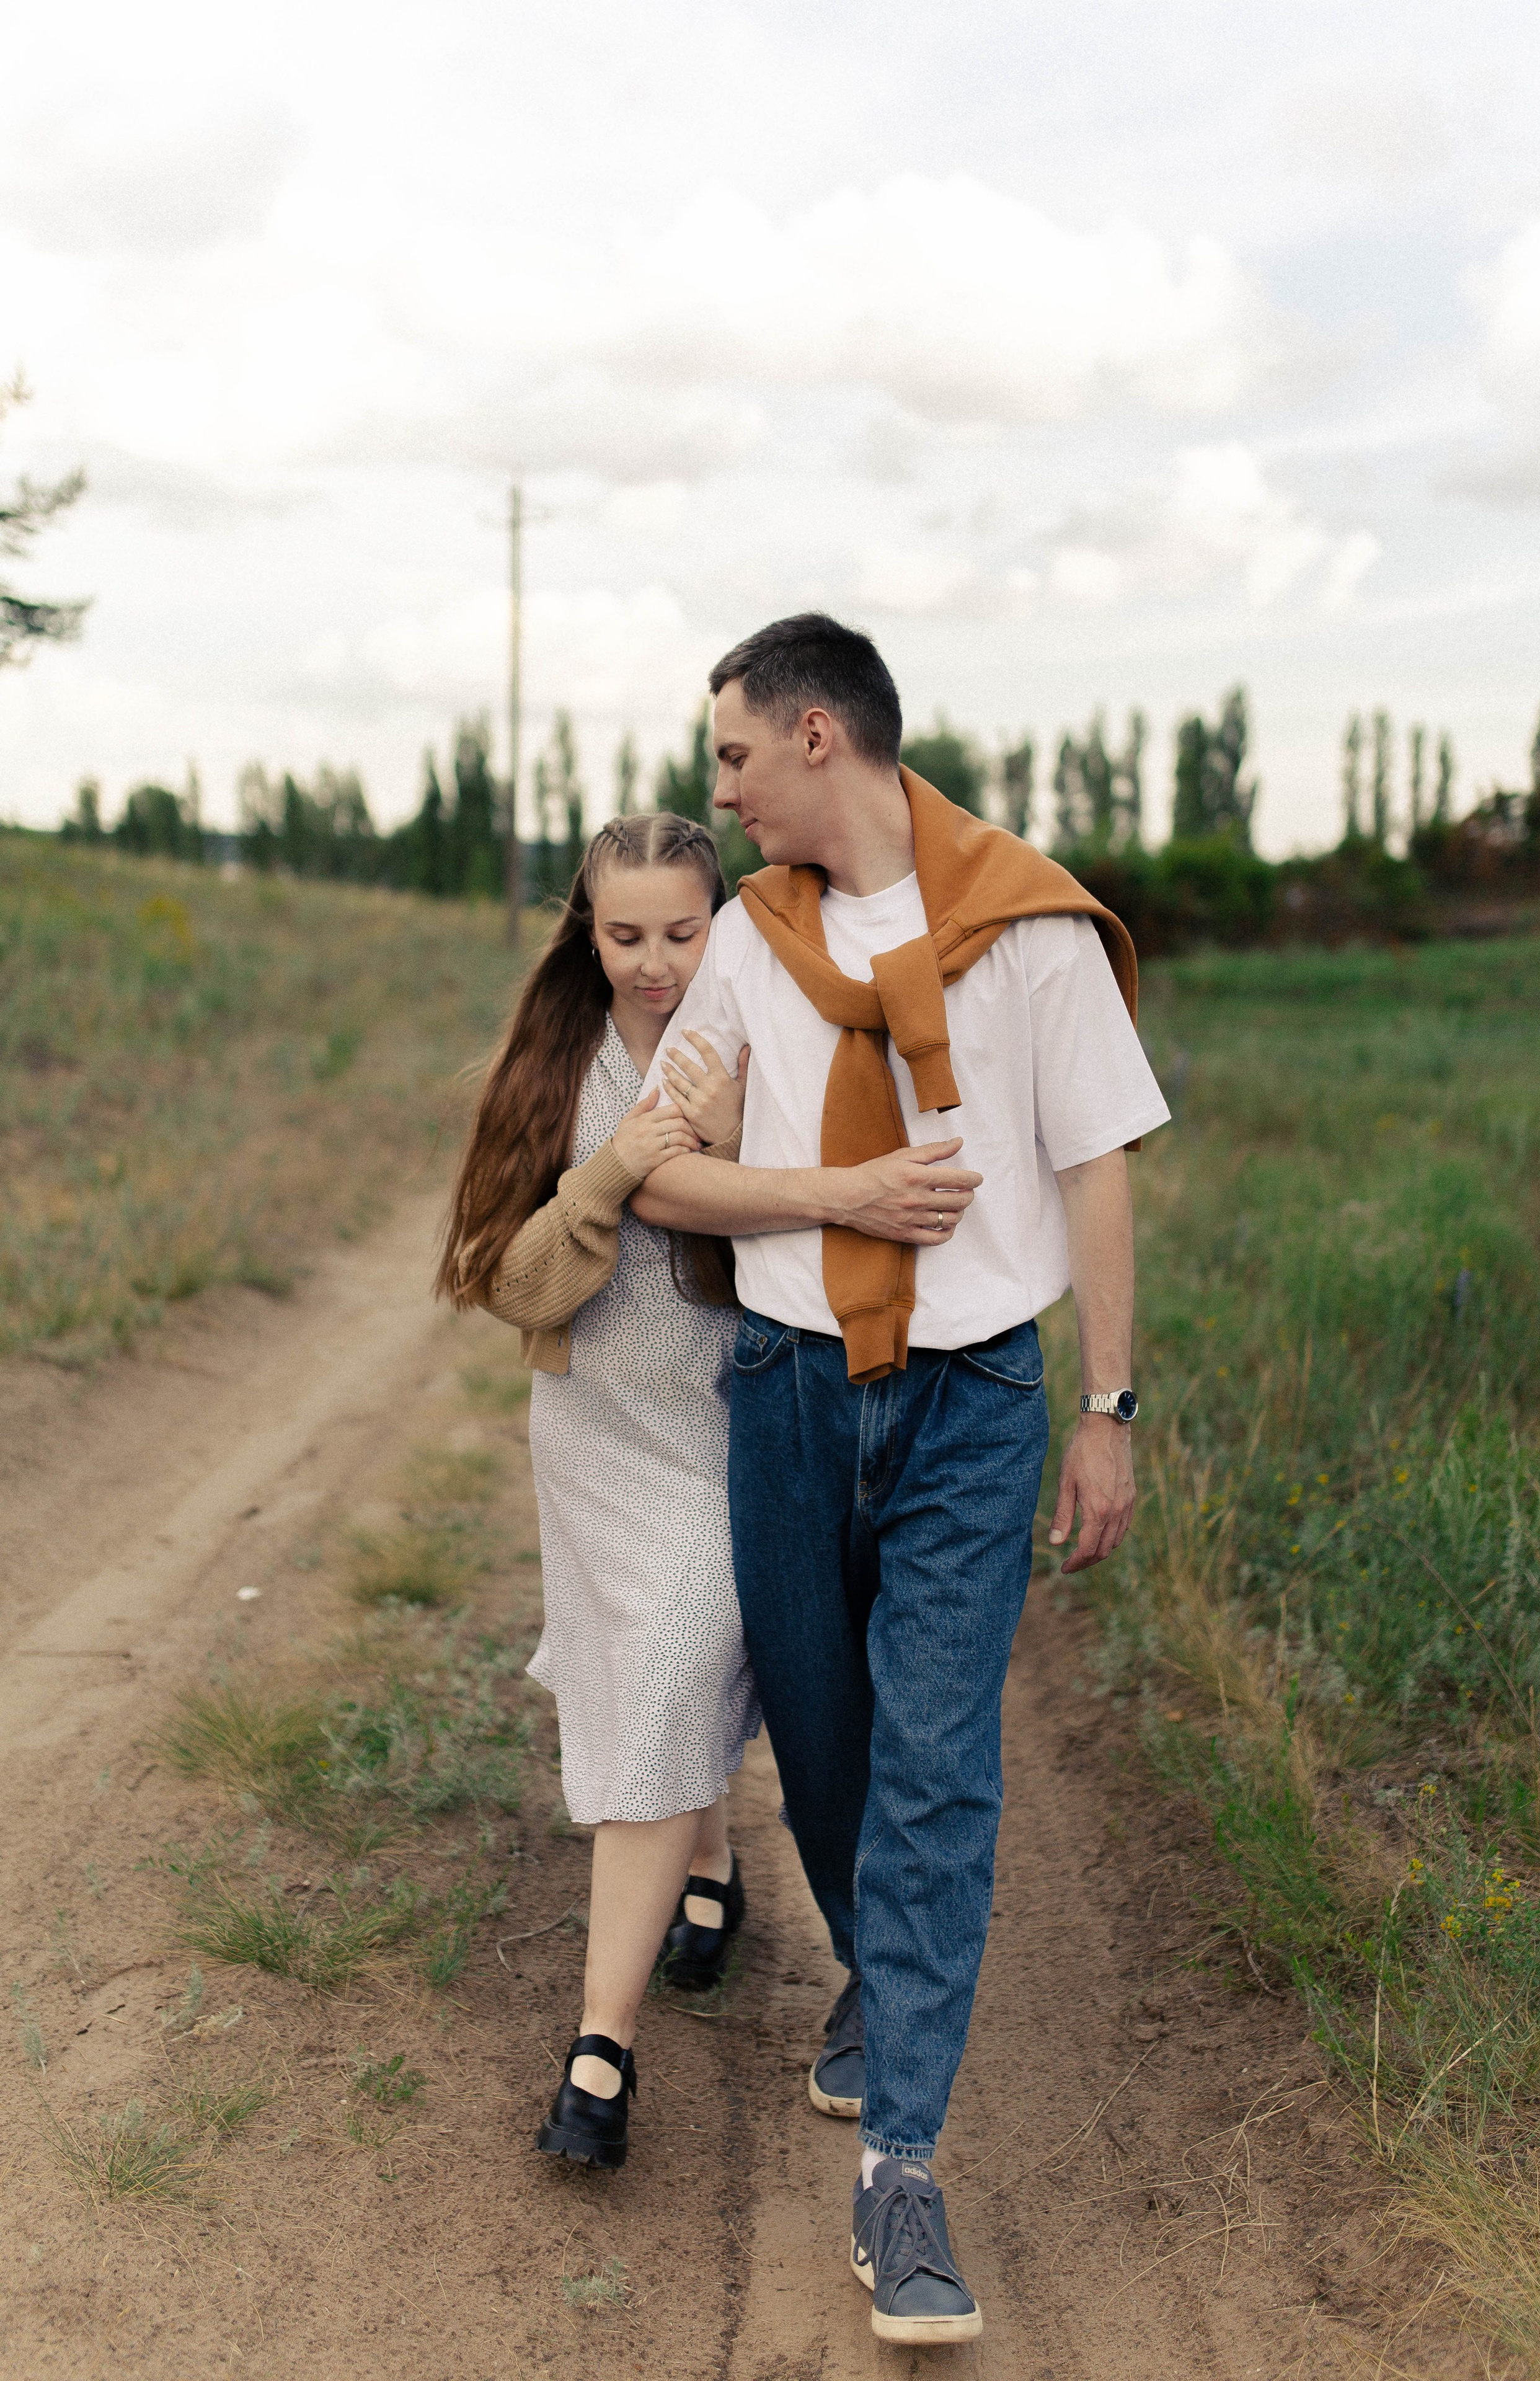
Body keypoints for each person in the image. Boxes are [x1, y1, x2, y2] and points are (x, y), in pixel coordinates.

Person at [632, 616, 1170, 2345]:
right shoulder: (746, 946)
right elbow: (665, 1182)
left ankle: (906, 2171)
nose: (713, 788)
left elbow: (1092, 1167)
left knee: (941, 1760)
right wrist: (838, 1199)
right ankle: (879, 1965)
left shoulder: (1027, 928)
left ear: (812, 738)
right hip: (791, 1389)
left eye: (729, 756)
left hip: (976, 1406)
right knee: (826, 1740)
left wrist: (1111, 1403)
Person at [436, 811, 759, 2173]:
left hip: (730, 1424)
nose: (651, 963)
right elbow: (503, 1280)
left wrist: (739, 1143)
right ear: (587, 929)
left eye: (679, 933)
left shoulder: (763, 1032)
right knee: (651, 1668)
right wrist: (615, 1172)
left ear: (719, 921)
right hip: (595, 1429)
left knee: (679, 1650)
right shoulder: (559, 1056)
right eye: (622, 934)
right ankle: (713, 1870)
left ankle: (597, 2047)